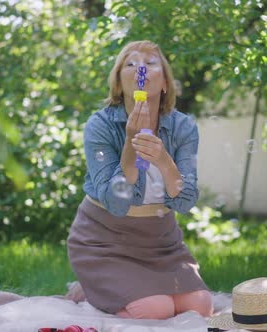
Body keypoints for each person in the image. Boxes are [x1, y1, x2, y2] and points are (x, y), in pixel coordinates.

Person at [66, 40, 213, 320]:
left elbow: (184, 202)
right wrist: (130, 147)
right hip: (104, 240)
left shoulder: (183, 127)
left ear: (166, 83)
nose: (140, 69)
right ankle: (93, 288)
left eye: (150, 63)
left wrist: (163, 160)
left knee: (201, 306)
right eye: (130, 64)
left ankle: (115, 290)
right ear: (119, 84)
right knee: (152, 310)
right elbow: (116, 204)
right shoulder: (100, 125)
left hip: (161, 241)